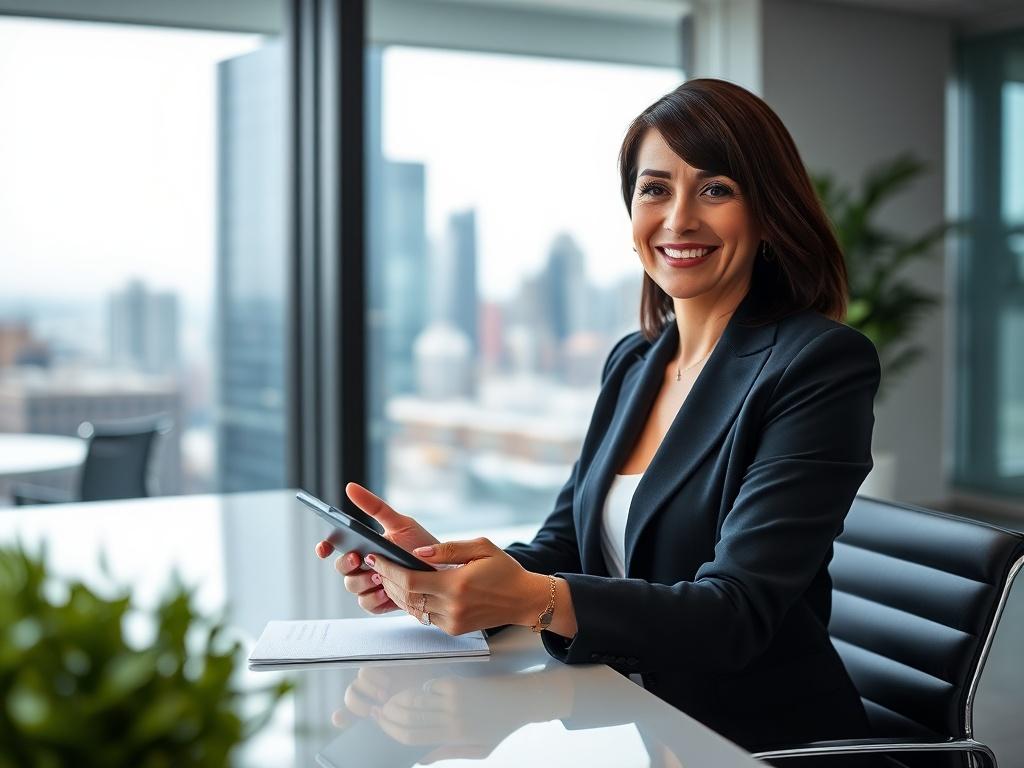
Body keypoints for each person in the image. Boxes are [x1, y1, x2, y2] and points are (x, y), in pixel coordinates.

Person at [315, 78, 881, 755]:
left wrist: (531, 598)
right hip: (628, 717)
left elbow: (735, 615)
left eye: (716, 189)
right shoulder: (635, 363)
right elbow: (567, 548)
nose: (678, 220)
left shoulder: (819, 364)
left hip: (755, 740)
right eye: (655, 189)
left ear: (768, 212)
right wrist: (437, 575)